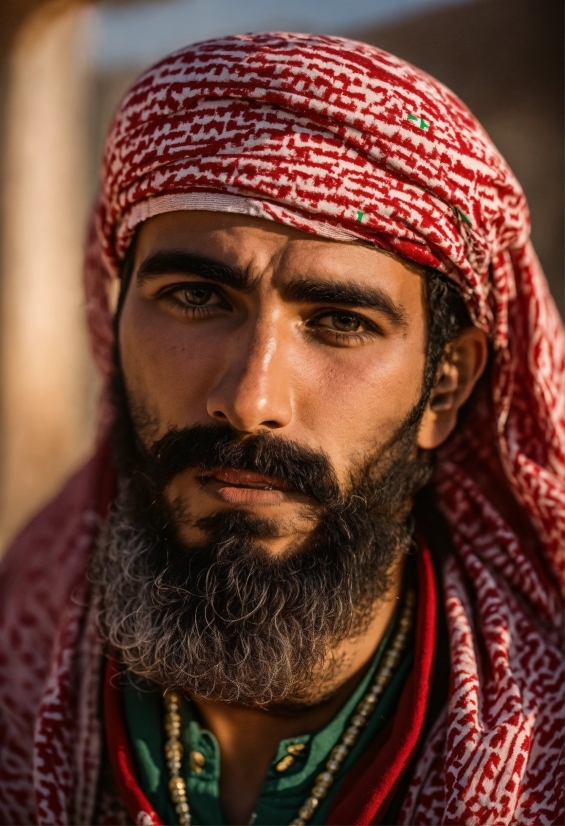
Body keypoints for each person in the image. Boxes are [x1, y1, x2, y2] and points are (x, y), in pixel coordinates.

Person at [0, 32, 563, 826]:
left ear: (445, 387)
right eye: (196, 298)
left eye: (338, 321)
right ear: (114, 325)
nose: (250, 398)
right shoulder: (18, 654)